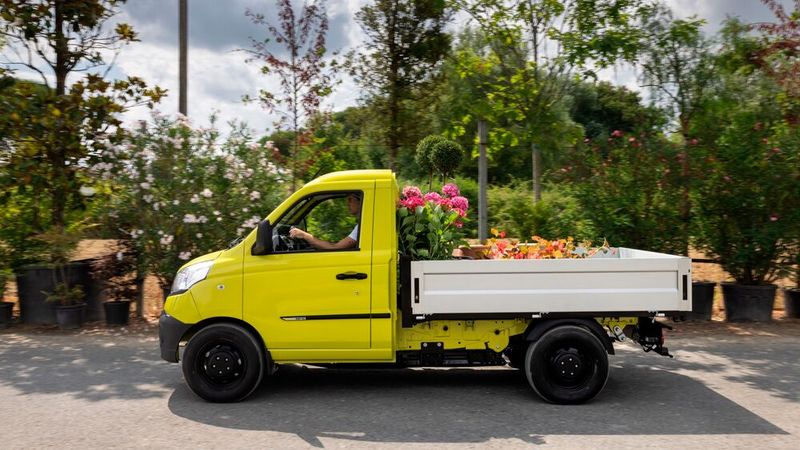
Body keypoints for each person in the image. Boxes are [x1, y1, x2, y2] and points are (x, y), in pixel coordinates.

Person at [289, 193, 361, 250]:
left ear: (360, 201)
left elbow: (336, 248)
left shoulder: (363, 227)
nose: (347, 203)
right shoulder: (362, 225)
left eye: (350, 199)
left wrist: (304, 235)